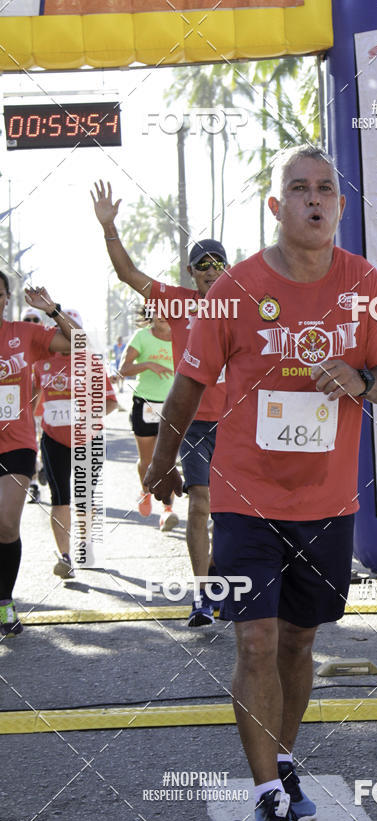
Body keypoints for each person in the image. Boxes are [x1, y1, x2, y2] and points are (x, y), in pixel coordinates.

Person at [143, 146, 377, 821]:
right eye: (299, 189)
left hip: (326, 502)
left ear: (340, 208)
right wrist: (163, 462)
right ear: (276, 206)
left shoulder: (364, 282)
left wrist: (359, 379)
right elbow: (190, 384)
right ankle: (266, 798)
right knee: (254, 639)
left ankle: (283, 762)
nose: (314, 200)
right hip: (244, 495)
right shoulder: (234, 288)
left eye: (326, 189)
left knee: (298, 642)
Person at [91, 180, 227, 626]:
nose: (210, 271)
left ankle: (232, 583)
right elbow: (129, 274)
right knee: (202, 502)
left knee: (240, 513)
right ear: (192, 274)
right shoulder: (178, 301)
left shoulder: (248, 305)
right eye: (202, 266)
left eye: (218, 264)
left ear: (228, 270)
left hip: (245, 424)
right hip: (195, 423)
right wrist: (110, 229)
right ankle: (203, 597)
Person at [0, 279, 77, 636]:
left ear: (6, 298)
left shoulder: (23, 334)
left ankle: (4, 601)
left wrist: (52, 310)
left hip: (16, 443)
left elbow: (78, 342)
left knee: (6, 523)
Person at [32, 310, 118, 578]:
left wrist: (90, 415)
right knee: (60, 498)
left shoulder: (91, 362)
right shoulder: (41, 362)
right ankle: (65, 556)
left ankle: (85, 543)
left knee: (85, 496)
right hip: (53, 439)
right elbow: (31, 400)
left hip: (88, 438)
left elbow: (111, 401)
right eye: (62, 330)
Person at [119, 312, 178, 531]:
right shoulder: (142, 337)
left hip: (173, 405)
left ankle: (167, 510)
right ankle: (145, 491)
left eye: (168, 310)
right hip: (145, 404)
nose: (164, 315)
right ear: (152, 313)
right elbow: (123, 369)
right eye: (158, 311)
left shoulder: (182, 335)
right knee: (147, 460)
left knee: (168, 460)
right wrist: (149, 364)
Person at [22, 306, 44, 502]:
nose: (30, 324)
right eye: (26, 320)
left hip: (49, 409)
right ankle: (34, 484)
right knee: (32, 446)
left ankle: (43, 467)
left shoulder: (49, 345)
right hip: (25, 409)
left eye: (34, 320)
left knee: (43, 449)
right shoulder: (14, 346)